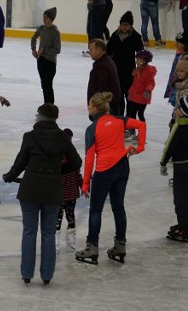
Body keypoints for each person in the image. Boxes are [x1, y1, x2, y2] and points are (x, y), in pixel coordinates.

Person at [2, 103, 82, 285]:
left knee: (29, 231)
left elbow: (21, 162)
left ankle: (27, 274)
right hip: (53, 191)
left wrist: (9, 176)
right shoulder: (63, 138)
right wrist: (57, 172)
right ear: (55, 118)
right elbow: (76, 162)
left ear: (39, 116)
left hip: (30, 189)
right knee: (48, 233)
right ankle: (47, 276)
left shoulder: (30, 136)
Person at [75, 92, 146, 265]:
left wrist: (85, 183)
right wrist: (140, 147)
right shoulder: (120, 120)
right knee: (118, 207)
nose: (88, 108)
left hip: (105, 170)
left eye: (89, 105)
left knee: (95, 210)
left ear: (95, 108)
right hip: (122, 167)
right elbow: (141, 125)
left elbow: (90, 158)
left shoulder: (92, 129)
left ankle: (92, 248)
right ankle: (120, 245)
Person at [160, 95, 188, 242]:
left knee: (181, 197)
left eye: (177, 108)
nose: (175, 110)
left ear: (183, 112)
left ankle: (184, 228)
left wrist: (163, 163)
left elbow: (169, 147)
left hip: (182, 166)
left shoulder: (180, 126)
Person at [106, 11, 144, 116]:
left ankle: (130, 116)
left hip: (129, 70)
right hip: (116, 69)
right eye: (122, 24)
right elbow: (108, 51)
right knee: (118, 94)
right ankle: (119, 116)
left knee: (129, 95)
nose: (124, 27)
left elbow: (141, 53)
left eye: (126, 25)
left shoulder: (135, 37)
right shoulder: (115, 35)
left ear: (130, 25)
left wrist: (139, 68)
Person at [55, 128, 83, 252]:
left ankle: (70, 236)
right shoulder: (56, 154)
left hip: (71, 192)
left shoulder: (72, 155)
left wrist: (83, 186)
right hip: (58, 193)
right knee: (58, 216)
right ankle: (55, 238)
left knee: (70, 215)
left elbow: (77, 173)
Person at [31, 7, 61, 104]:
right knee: (44, 85)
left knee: (48, 85)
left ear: (51, 19)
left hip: (50, 62)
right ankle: (46, 105)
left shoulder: (55, 31)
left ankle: (50, 105)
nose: (44, 19)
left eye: (46, 18)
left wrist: (44, 50)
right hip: (41, 61)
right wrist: (33, 49)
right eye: (43, 17)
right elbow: (33, 37)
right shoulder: (41, 28)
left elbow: (57, 49)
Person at [125, 50, 156, 140]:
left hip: (143, 97)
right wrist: (130, 93)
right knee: (132, 113)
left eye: (138, 59)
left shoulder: (149, 71)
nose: (136, 61)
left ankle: (142, 133)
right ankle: (132, 130)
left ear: (144, 60)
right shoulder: (138, 70)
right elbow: (135, 84)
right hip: (135, 96)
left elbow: (151, 83)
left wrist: (147, 91)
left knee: (140, 114)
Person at [87, 38, 121, 116]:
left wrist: (95, 107)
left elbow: (101, 89)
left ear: (99, 50)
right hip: (109, 107)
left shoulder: (102, 66)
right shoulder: (106, 61)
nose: (89, 52)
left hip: (104, 109)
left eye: (91, 50)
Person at [165, 60, 188, 128]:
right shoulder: (179, 85)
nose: (179, 73)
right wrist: (173, 119)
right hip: (177, 118)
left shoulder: (185, 87)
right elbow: (177, 104)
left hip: (184, 120)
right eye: (177, 71)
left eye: (182, 71)